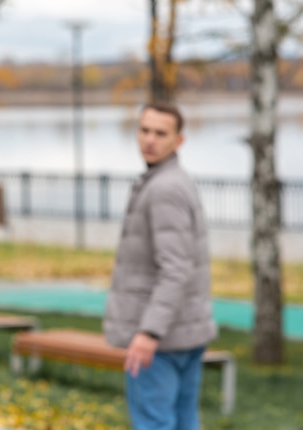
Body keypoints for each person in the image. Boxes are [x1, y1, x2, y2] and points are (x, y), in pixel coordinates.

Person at [103, 102, 218, 430]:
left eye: (161, 133)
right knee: (184, 422)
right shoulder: (173, 181)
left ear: (178, 140)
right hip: (184, 333)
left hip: (160, 340)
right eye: (144, 130)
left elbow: (176, 268)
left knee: (155, 424)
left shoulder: (164, 188)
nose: (150, 139)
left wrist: (149, 333)